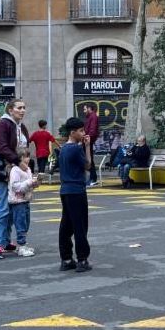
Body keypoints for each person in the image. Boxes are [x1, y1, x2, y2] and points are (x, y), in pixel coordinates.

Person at [0, 99, 29, 260]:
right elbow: (1, 146)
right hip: (5, 170)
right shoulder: (4, 124)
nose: (23, 110)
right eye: (19, 108)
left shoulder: (21, 126)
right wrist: (18, 161)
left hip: (17, 171)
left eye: (24, 108)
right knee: (4, 208)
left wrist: (26, 165)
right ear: (10, 110)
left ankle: (6, 242)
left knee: (15, 207)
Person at [58, 116, 92, 272]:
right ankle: (82, 259)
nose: (83, 133)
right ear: (73, 132)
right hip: (77, 190)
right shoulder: (76, 149)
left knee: (66, 225)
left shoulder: (63, 148)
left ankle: (66, 258)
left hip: (65, 190)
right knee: (80, 226)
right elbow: (88, 165)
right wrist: (87, 146)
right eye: (81, 130)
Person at [8, 150, 39, 256]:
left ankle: (23, 245)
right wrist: (30, 182)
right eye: (26, 157)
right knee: (20, 223)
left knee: (26, 223)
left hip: (25, 200)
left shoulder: (28, 170)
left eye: (28, 156)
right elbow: (15, 186)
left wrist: (35, 183)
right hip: (17, 201)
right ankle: (21, 246)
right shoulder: (15, 170)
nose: (28, 159)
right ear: (20, 158)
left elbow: (28, 185)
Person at [82, 104, 100, 187]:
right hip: (87, 140)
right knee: (88, 159)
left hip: (87, 140)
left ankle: (93, 178)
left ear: (89, 108)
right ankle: (92, 178)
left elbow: (92, 130)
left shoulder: (93, 117)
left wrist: (87, 137)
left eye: (85, 109)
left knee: (89, 159)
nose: (84, 111)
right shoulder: (90, 117)